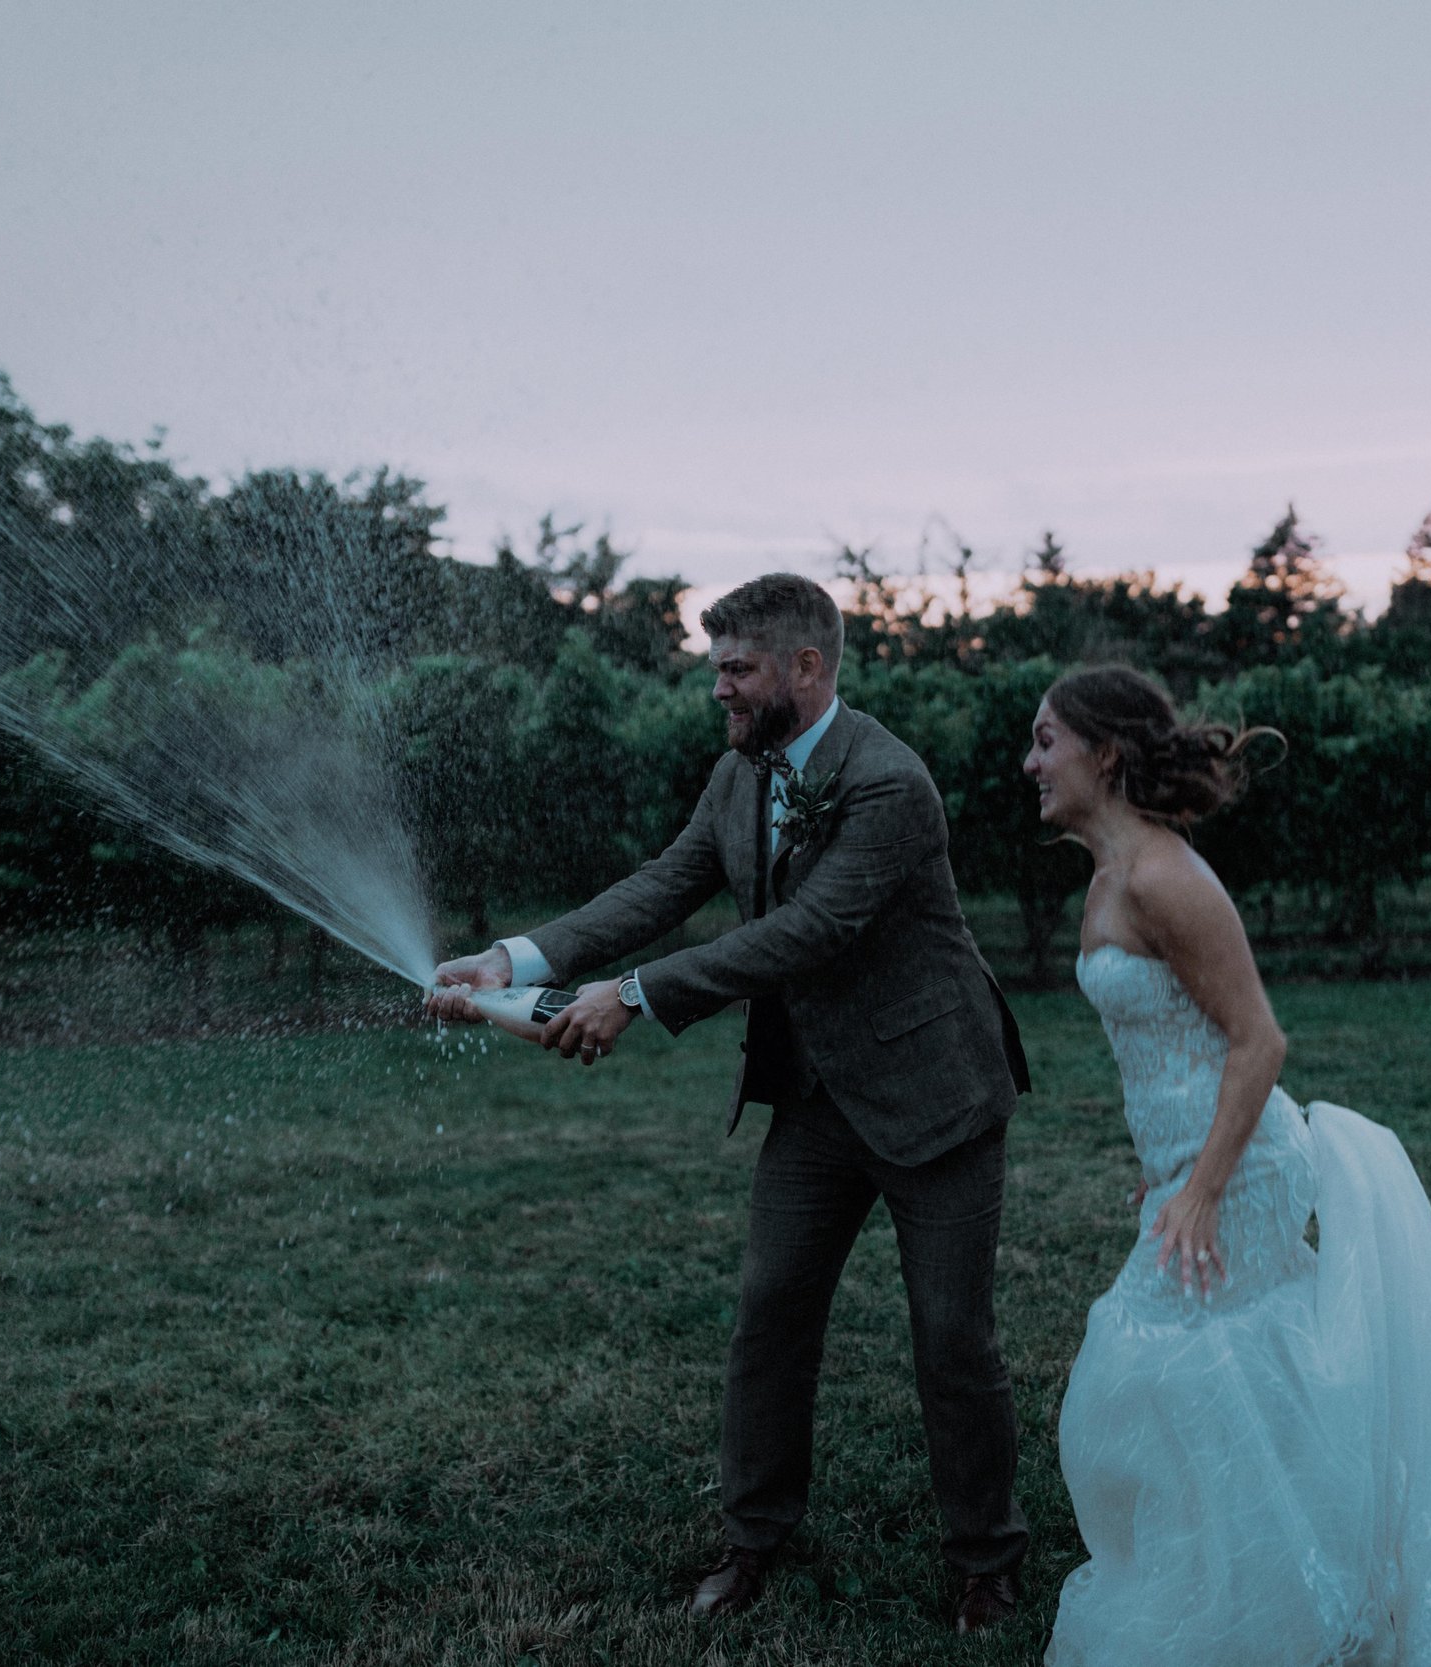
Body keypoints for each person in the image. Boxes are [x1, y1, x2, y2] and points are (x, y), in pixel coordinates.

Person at [428, 573, 1033, 1634]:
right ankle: (753, 1539)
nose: (719, 688)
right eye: (715, 668)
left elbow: (808, 931)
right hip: (812, 1096)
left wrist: (633, 995)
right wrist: (515, 955)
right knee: (768, 1313)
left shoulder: (889, 781)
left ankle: (986, 1561)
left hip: (933, 1092)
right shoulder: (737, 775)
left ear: (806, 667)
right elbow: (664, 884)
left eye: (736, 668)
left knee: (952, 1336)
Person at [1023, 665, 1431, 1667]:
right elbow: (1168, 1044)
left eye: (1047, 738)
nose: (1030, 760)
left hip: (1246, 1173)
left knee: (1153, 1369)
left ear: (1104, 752)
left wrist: (1204, 1185)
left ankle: (1262, 1607)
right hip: (1193, 1171)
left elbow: (1258, 1040)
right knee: (1213, 1382)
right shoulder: (1108, 874)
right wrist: (1167, 1167)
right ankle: (1270, 1588)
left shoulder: (1161, 877)